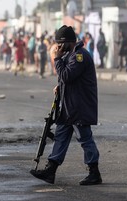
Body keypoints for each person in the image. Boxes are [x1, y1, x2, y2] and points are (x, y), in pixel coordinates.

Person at [30, 25, 102, 185]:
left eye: (59, 44)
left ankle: (94, 172)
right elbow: (67, 79)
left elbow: (67, 75)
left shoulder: (79, 56)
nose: (58, 48)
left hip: (78, 108)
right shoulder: (71, 55)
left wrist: (56, 58)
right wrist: (60, 87)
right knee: (60, 138)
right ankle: (51, 170)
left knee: (85, 139)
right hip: (69, 108)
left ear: (66, 43)